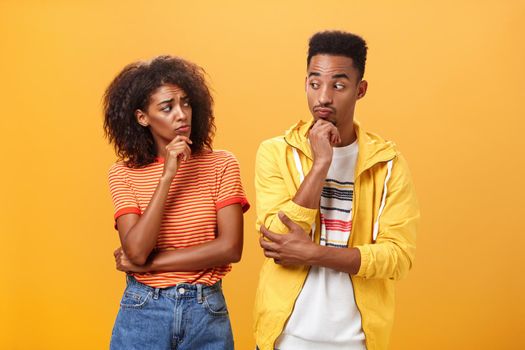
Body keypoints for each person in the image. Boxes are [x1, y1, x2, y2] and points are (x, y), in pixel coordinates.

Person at [254, 31, 420, 350]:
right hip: (285, 338)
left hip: (356, 341)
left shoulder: (388, 164)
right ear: (306, 83)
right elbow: (275, 237)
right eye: (315, 83)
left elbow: (398, 256)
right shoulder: (276, 152)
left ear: (360, 90)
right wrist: (321, 165)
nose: (324, 97)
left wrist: (315, 254)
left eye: (338, 85)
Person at [103, 55, 249, 350]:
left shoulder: (221, 164)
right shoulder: (123, 174)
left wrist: (149, 265)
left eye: (186, 103)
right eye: (167, 107)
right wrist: (168, 175)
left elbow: (230, 248)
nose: (181, 114)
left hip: (205, 309)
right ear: (142, 117)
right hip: (144, 309)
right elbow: (136, 249)